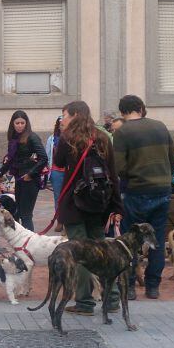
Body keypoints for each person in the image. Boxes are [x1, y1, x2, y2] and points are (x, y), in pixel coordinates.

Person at [52, 102, 123, 316]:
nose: (62, 119)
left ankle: (84, 302)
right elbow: (112, 173)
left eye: (64, 115)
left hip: (75, 203)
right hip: (98, 202)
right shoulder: (102, 137)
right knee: (101, 250)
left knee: (79, 253)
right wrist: (116, 206)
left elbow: (58, 163)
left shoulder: (68, 139)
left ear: (74, 115)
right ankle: (111, 299)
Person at [113, 95, 174, 300]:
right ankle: (152, 287)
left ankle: (130, 286)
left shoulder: (122, 132)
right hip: (161, 190)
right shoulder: (160, 126)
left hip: (135, 191)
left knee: (130, 241)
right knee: (156, 239)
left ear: (122, 112)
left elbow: (119, 167)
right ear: (141, 108)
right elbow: (173, 161)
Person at [0, 110, 47, 231]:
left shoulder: (32, 137)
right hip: (19, 177)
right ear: (12, 124)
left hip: (30, 180)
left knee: (26, 215)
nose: (20, 126)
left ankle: (29, 245)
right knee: (17, 212)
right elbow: (10, 159)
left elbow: (44, 158)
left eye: (22, 123)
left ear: (26, 123)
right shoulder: (14, 138)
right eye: (17, 123)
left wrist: (31, 174)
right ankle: (20, 241)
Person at [45, 116, 64, 205]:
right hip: (56, 172)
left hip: (70, 171)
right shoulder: (52, 139)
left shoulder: (73, 138)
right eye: (61, 125)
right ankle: (59, 217)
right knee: (58, 196)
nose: (63, 127)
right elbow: (47, 155)